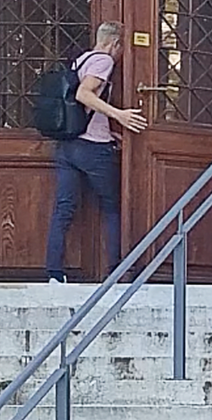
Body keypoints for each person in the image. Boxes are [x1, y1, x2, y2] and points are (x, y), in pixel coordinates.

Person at [44, 21, 147, 284]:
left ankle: (55, 273)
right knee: (112, 207)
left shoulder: (81, 59)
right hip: (92, 150)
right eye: (121, 46)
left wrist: (108, 129)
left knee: (63, 208)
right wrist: (119, 115)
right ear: (115, 43)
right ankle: (117, 271)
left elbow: (79, 107)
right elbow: (83, 94)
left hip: (67, 144)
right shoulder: (103, 61)